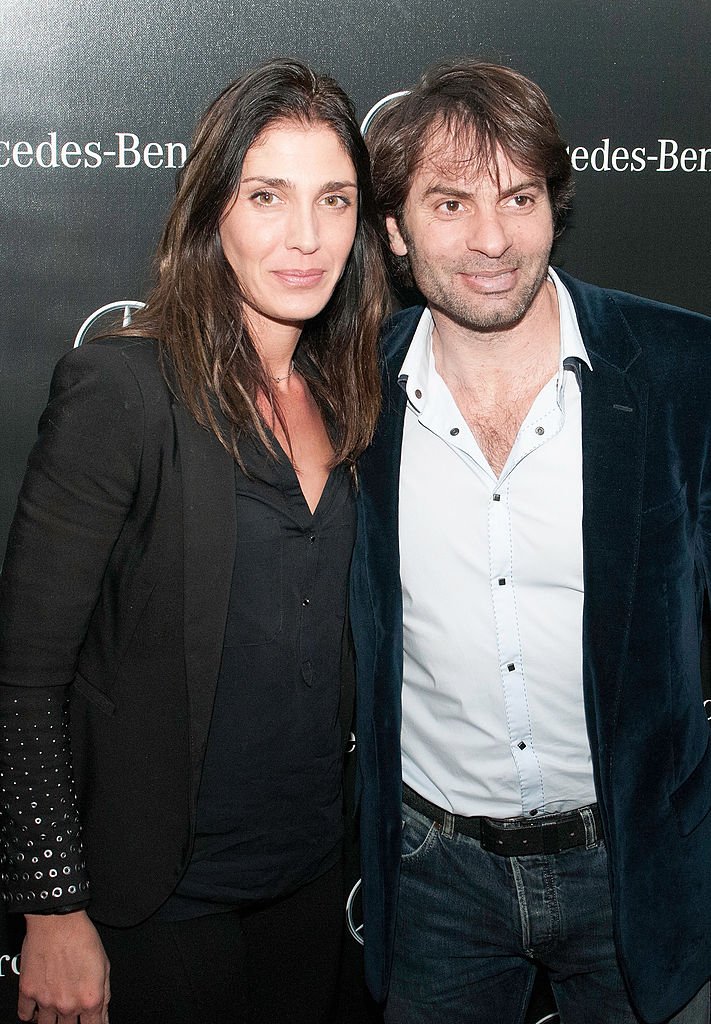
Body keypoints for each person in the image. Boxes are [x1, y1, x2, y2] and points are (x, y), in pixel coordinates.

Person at [0, 57, 388, 1024]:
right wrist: (53, 906)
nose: (306, 237)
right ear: (213, 210)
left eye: (333, 200)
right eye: (268, 195)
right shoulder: (123, 392)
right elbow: (24, 675)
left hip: (312, 881)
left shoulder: (353, 395)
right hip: (159, 898)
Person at [350, 58, 711, 1024]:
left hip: (638, 864)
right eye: (450, 203)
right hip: (432, 878)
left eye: (518, 197)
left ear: (554, 205)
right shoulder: (346, 399)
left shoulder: (682, 371)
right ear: (392, 231)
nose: (492, 240)